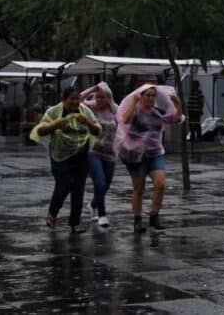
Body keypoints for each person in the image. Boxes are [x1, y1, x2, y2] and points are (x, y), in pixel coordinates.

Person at [31, 86, 101, 234]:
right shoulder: (54, 111)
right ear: (64, 99)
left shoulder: (85, 111)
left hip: (81, 155)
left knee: (78, 189)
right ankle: (53, 214)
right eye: (71, 99)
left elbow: (97, 130)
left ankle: (75, 223)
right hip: (60, 155)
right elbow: (40, 130)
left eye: (77, 98)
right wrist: (55, 125)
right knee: (64, 184)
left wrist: (87, 122)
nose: (75, 102)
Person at [116, 85, 183, 233]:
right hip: (136, 155)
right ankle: (137, 220)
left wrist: (177, 103)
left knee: (160, 184)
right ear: (141, 96)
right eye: (148, 95)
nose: (151, 98)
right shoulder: (136, 111)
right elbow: (124, 120)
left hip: (155, 153)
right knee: (139, 189)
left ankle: (154, 215)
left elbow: (176, 118)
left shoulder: (157, 113)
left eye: (153, 96)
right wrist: (133, 101)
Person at [80, 82, 118, 228]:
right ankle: (102, 214)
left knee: (105, 185)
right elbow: (79, 99)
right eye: (98, 97)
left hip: (110, 154)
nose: (100, 100)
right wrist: (93, 89)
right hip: (93, 151)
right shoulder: (91, 108)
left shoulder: (115, 110)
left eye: (103, 97)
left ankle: (93, 204)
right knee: (99, 182)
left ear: (108, 98)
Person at [187, 80, 204, 152]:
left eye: (194, 85)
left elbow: (201, 102)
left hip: (196, 111)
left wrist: (200, 110)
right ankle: (192, 137)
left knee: (197, 125)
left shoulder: (199, 93)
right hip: (191, 111)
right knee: (191, 125)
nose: (193, 86)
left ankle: (198, 138)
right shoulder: (191, 92)